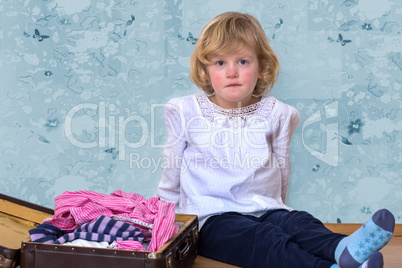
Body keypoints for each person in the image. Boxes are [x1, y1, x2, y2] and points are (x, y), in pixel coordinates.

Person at [155, 11, 395, 268]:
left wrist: (279, 208)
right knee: (266, 239)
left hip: (265, 207)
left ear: (261, 68)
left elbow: (281, 165)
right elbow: (173, 166)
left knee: (299, 223)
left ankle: (342, 248)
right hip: (212, 218)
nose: (232, 72)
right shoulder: (186, 110)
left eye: (243, 62)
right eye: (220, 63)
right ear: (205, 71)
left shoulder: (276, 113)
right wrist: (162, 219)